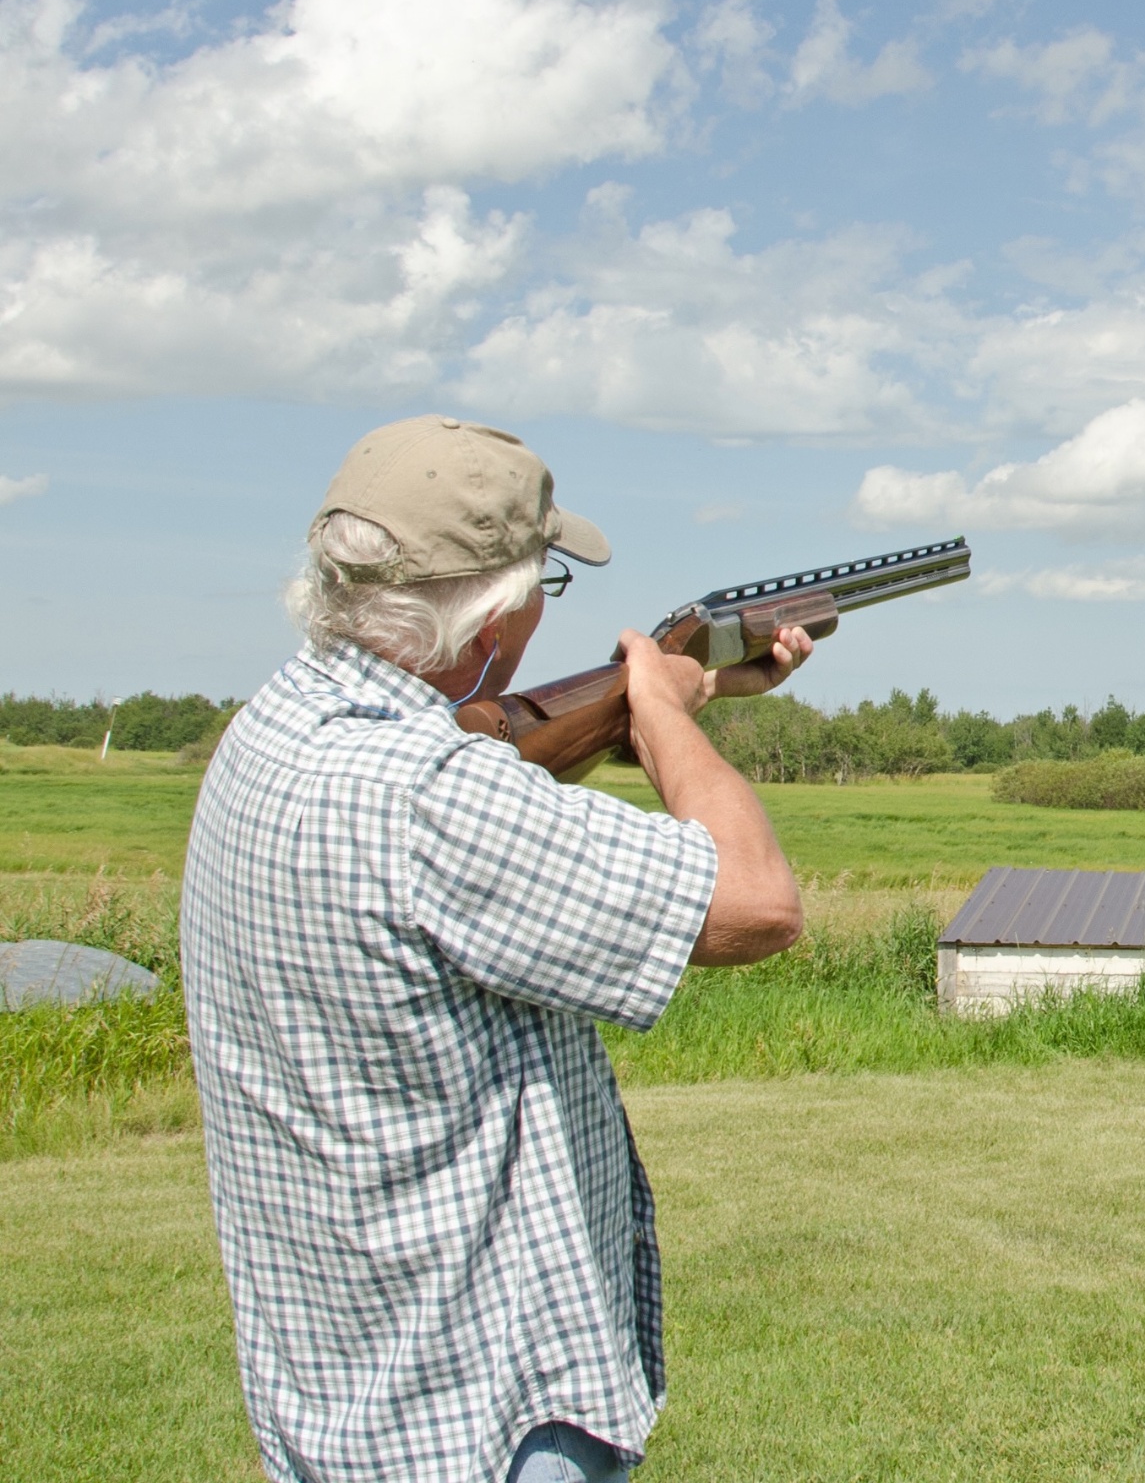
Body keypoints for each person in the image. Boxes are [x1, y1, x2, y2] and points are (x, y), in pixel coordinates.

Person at [181, 415, 809, 1483]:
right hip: (480, 1414)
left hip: (341, 1384)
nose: (535, 612)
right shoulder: (430, 797)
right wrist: (662, 719)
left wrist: (675, 699)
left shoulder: (276, 731)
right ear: (488, 622)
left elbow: (481, 809)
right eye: (539, 586)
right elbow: (758, 904)